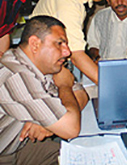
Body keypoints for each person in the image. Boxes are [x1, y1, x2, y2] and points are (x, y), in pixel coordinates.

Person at [0, 15, 88, 164]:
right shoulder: (16, 75)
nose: (67, 52)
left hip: (20, 146)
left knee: (78, 156)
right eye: (59, 44)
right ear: (35, 44)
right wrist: (64, 86)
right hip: (5, 155)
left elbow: (82, 95)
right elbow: (71, 128)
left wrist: (47, 125)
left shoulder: (43, 64)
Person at [31, 0, 119, 84]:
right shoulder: (68, 1)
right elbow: (77, 55)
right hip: (39, 64)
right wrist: (112, 86)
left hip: (57, 53)